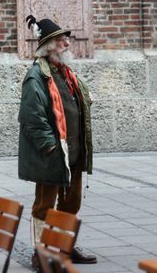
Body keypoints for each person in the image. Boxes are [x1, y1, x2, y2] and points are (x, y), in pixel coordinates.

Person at [18, 15, 97, 269]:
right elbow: (32, 117)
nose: (66, 43)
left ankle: (64, 247)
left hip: (73, 151)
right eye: (60, 40)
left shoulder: (66, 73)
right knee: (44, 205)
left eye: (65, 39)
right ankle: (41, 253)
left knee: (71, 202)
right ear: (48, 45)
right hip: (52, 153)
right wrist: (49, 146)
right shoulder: (36, 76)